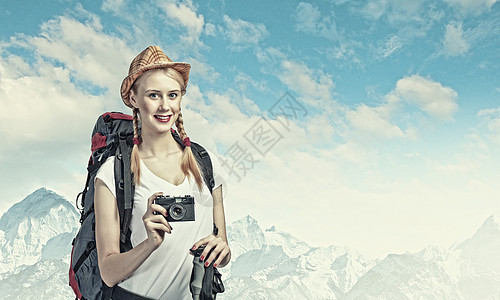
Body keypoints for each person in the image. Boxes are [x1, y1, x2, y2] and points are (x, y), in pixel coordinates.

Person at [94, 46, 231, 299]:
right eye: (154, 95)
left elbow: (223, 252)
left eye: (173, 95)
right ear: (134, 99)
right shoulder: (113, 173)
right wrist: (150, 243)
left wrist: (221, 249)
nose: (165, 106)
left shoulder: (208, 164)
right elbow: (109, 273)